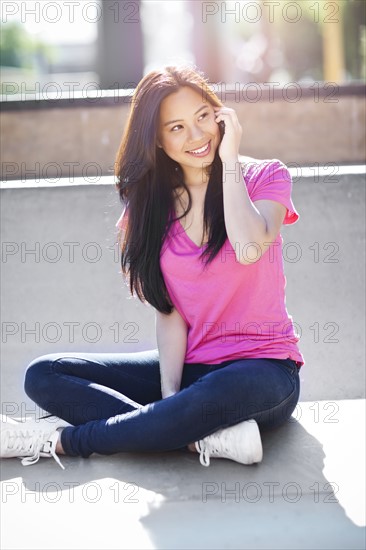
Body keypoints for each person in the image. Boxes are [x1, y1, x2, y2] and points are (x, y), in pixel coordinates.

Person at [0, 65, 304, 470]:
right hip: (193, 367)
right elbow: (169, 310)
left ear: (219, 114)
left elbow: (249, 247)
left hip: (262, 372)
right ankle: (193, 435)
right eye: (176, 128)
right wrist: (170, 396)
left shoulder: (264, 176)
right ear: (157, 141)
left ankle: (58, 440)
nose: (197, 136)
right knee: (45, 374)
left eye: (202, 117)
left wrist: (229, 161)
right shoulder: (149, 208)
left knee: (217, 392)